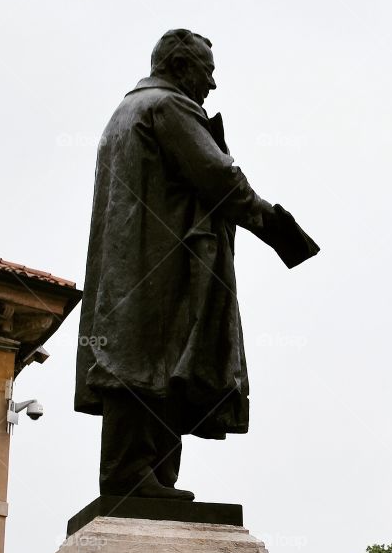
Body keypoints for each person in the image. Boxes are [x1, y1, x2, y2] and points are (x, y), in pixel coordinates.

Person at [75, 29, 317, 501]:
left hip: (133, 264)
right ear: (182, 67)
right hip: (159, 264)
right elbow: (219, 177)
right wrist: (276, 228)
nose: (212, 85)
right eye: (207, 72)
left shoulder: (123, 114)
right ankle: (131, 476)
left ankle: (152, 478)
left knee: (155, 364)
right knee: (148, 361)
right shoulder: (169, 107)